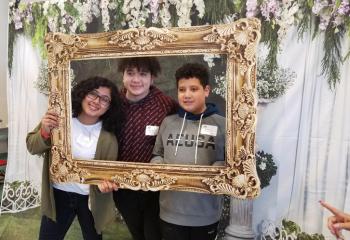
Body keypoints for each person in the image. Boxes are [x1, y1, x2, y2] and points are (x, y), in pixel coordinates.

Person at [26, 76, 124, 240]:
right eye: (93, 94)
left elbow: (107, 174)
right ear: (83, 94)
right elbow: (32, 146)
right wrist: (44, 131)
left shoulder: (109, 137)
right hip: (59, 194)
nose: (97, 101)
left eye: (105, 99)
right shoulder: (60, 120)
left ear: (110, 106)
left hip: (91, 198)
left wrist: (106, 182)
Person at [99, 57, 178, 240]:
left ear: (152, 78)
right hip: (123, 187)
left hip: (155, 189)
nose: (136, 80)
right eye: (130, 73)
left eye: (143, 74)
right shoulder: (112, 104)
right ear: (123, 75)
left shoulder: (166, 105)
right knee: (137, 234)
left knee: (154, 234)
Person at [151, 63, 225, 240]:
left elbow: (231, 164)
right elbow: (157, 154)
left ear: (206, 90)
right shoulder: (168, 122)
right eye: (182, 89)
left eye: (193, 89)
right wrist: (159, 167)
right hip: (170, 212)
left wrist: (219, 169)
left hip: (205, 214)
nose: (187, 95)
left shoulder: (223, 124)